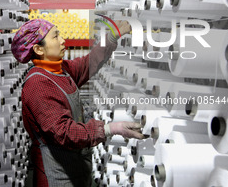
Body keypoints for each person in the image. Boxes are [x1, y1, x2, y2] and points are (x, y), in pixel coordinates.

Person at [11, 18, 144, 187]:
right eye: (55, 36)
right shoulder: (38, 85)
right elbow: (63, 132)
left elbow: (87, 64)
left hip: (74, 167)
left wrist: (110, 38)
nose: (62, 40)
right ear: (38, 49)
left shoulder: (59, 70)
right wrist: (109, 128)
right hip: (56, 176)